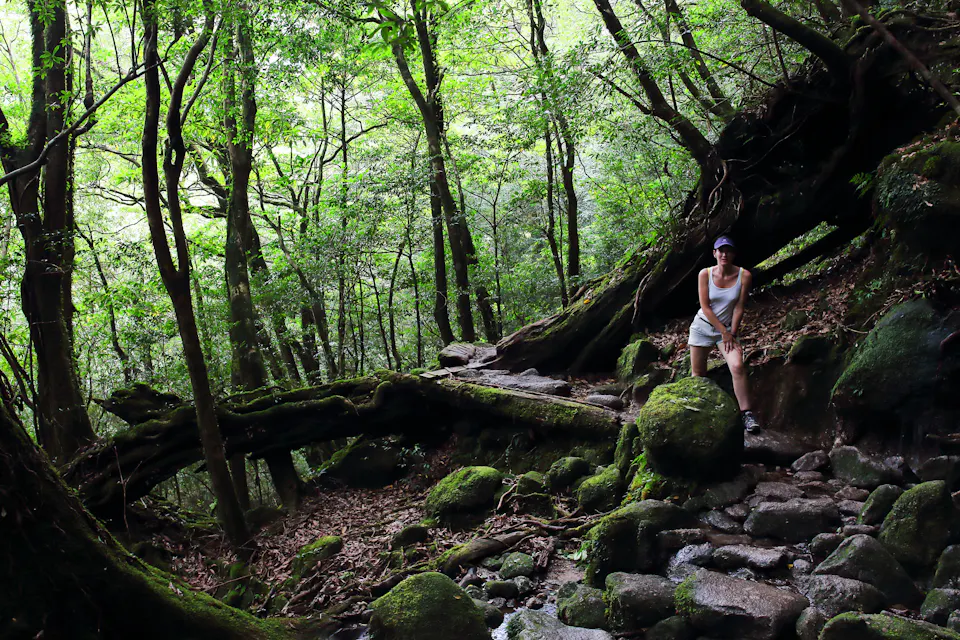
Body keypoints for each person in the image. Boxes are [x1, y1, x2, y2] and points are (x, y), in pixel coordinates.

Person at [687, 235, 761, 433]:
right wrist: (724, 332)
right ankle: (699, 415)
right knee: (698, 374)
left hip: (727, 330)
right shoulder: (705, 274)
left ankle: (747, 414)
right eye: (720, 251)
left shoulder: (744, 276)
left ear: (734, 254)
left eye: (728, 250)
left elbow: (739, 307)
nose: (724, 254)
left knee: (737, 366)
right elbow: (705, 306)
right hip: (702, 326)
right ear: (714, 253)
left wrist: (732, 332)